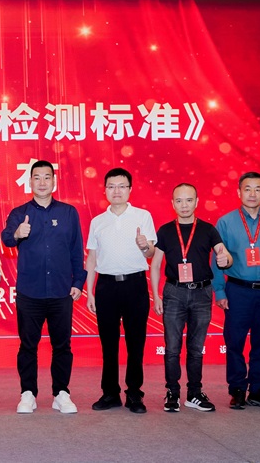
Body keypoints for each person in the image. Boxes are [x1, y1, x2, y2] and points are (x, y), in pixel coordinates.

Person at [1, 160, 86, 414]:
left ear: (54, 181)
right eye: (36, 177)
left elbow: (76, 249)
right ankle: (28, 393)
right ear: (30, 182)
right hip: (30, 292)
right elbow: (6, 238)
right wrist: (17, 234)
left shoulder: (69, 212)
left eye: (46, 177)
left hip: (61, 291)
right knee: (28, 345)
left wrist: (78, 282)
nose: (42, 182)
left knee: (62, 345)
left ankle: (61, 393)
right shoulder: (20, 213)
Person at [212, 171, 260, 410]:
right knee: (234, 341)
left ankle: (258, 390)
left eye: (258, 189)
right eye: (247, 189)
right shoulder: (226, 222)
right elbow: (216, 259)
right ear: (239, 192)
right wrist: (220, 292)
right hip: (238, 290)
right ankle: (237, 389)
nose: (252, 194)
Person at [150, 183, 232, 413]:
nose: (184, 205)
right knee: (172, 348)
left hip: (201, 293)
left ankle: (194, 393)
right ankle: (172, 393)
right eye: (179, 200)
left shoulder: (208, 230)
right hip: (173, 293)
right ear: (172, 203)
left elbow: (224, 254)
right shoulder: (165, 231)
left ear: (197, 202)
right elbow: (155, 265)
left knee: (196, 348)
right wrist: (156, 295)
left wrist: (225, 259)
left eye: (188, 200)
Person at [85, 167, 156, 414]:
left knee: (136, 342)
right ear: (105, 190)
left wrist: (144, 246)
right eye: (111, 186)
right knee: (108, 343)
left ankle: (134, 393)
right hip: (106, 286)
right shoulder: (97, 221)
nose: (117, 191)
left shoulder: (142, 216)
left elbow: (150, 253)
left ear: (130, 189)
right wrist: (90, 291)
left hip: (135, 284)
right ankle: (110, 393)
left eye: (122, 186)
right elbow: (92, 258)